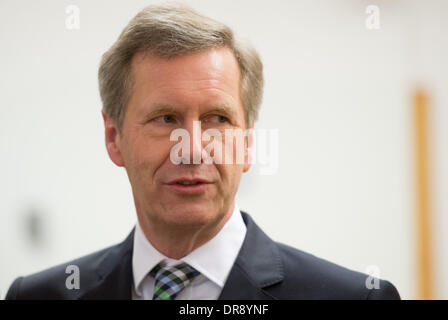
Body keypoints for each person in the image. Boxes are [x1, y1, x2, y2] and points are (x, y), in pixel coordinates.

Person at [6, 2, 400, 300]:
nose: (192, 149)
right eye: (165, 118)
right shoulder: (38, 297)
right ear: (114, 138)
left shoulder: (354, 297)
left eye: (217, 119)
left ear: (246, 144)